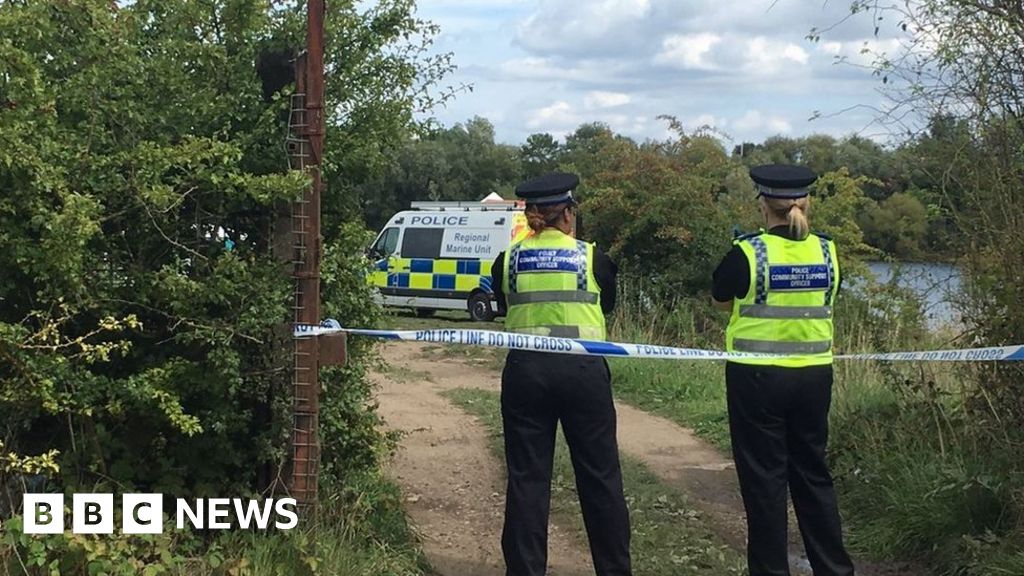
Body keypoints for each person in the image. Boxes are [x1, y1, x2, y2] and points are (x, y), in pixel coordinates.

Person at [712, 164, 855, 576]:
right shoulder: (828, 251)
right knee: (813, 474)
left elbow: (721, 298)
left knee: (764, 482)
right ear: (807, 201)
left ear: (763, 204)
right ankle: (834, 568)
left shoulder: (747, 252)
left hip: (756, 378)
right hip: (814, 376)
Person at [490, 172, 632, 576]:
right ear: (569, 214)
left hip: (526, 371)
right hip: (583, 371)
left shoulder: (508, 259)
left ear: (530, 215)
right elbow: (606, 308)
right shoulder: (593, 258)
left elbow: (503, 305)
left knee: (527, 479)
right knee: (601, 478)